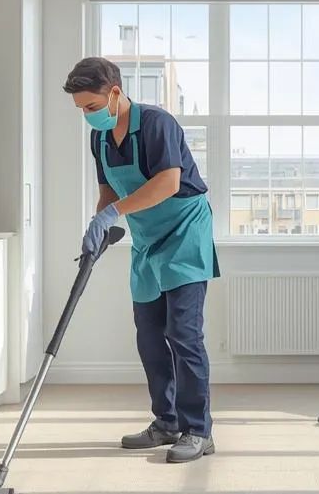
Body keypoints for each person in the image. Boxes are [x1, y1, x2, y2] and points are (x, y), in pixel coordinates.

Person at [65, 57, 220, 462]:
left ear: (115, 93)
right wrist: (98, 227)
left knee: (183, 334)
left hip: (185, 231)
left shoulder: (156, 123)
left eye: (92, 107)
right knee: (150, 337)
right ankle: (166, 423)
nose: (87, 116)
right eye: (81, 109)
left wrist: (113, 215)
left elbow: (168, 183)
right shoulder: (99, 139)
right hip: (147, 239)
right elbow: (109, 193)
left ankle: (198, 431)